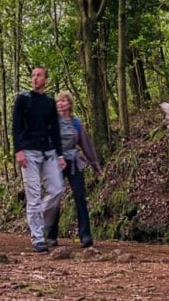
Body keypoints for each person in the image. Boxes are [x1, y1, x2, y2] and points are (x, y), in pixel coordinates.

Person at [12, 66, 65, 253]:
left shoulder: (50, 102)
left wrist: (59, 154)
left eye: (39, 75)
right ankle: (38, 238)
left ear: (45, 79)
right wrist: (18, 150)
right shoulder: (23, 99)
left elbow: (55, 130)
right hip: (28, 153)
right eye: (33, 75)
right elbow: (16, 125)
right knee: (33, 195)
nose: (35, 78)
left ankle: (38, 216)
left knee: (57, 189)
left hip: (48, 151)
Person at [45, 90, 102, 248]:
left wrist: (95, 165)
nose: (60, 104)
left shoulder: (76, 123)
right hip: (56, 162)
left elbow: (86, 144)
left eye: (63, 101)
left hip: (74, 162)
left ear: (69, 103)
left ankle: (85, 235)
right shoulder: (52, 122)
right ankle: (51, 235)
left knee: (80, 196)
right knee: (56, 197)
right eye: (58, 102)